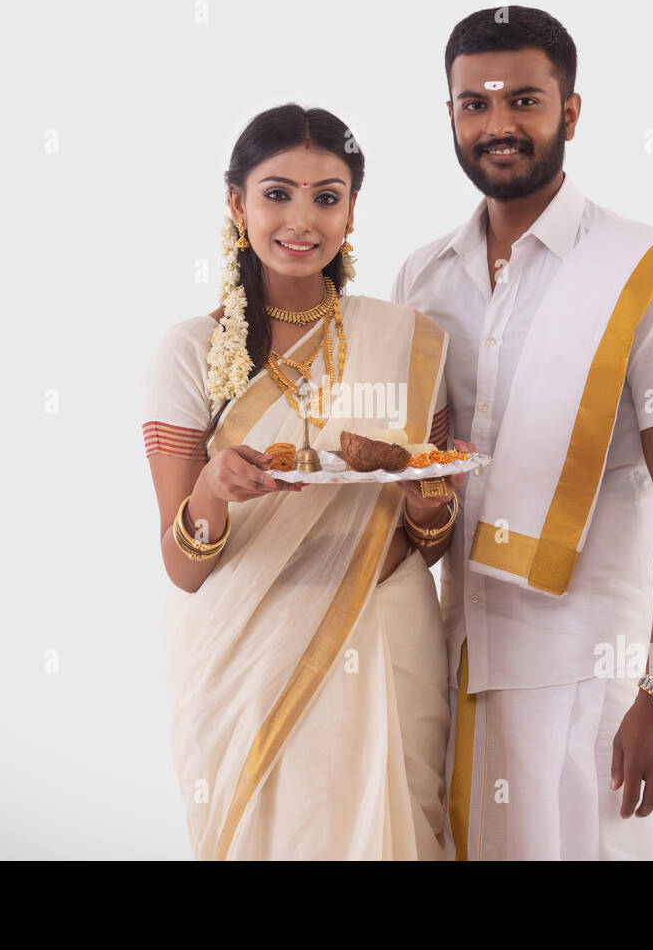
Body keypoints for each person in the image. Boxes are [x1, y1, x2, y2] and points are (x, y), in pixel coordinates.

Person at [393, 6, 653, 860]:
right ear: (450, 117)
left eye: (524, 100)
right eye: (475, 103)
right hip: (460, 656)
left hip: (592, 668)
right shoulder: (423, 277)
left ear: (570, 113)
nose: (498, 124)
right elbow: (418, 473)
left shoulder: (647, 275)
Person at [141, 104, 469, 859]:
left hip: (389, 637)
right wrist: (214, 493)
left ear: (353, 209)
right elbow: (181, 566)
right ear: (237, 203)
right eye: (277, 193)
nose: (301, 218)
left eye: (327, 196)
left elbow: (432, 538)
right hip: (246, 657)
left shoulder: (408, 341)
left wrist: (428, 501)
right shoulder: (189, 352)